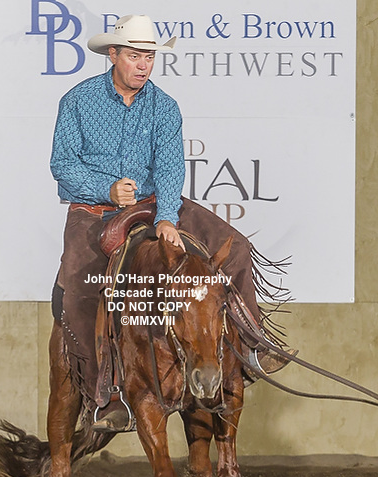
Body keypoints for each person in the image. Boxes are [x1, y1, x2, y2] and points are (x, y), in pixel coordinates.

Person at [50, 15, 292, 432]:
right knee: (80, 290)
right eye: (135, 56)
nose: (143, 65)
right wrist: (107, 189)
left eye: (149, 56)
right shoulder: (77, 101)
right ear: (113, 54)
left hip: (153, 201)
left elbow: (169, 167)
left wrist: (166, 216)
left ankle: (253, 343)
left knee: (235, 247)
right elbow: (62, 164)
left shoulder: (164, 106)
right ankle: (105, 392)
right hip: (94, 209)